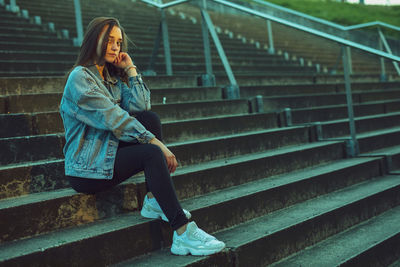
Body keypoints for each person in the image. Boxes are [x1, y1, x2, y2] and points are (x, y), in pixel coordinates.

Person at [60, 17, 225, 256]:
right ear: (93, 40)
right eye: (109, 40)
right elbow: (116, 119)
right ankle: (182, 232)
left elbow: (141, 106)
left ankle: (152, 199)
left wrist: (130, 69)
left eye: (118, 42)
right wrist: (158, 144)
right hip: (86, 169)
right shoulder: (80, 79)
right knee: (151, 152)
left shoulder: (112, 80)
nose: (116, 46)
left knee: (151, 120)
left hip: (108, 154)